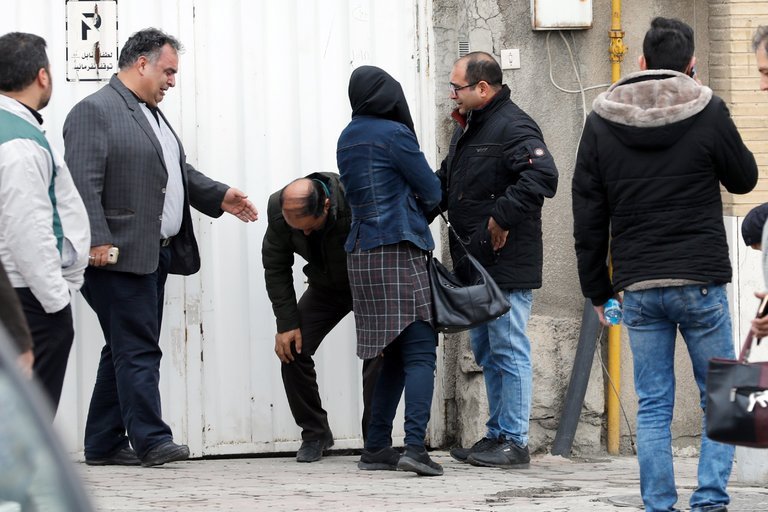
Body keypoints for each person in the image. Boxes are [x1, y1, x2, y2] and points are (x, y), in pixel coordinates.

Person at [572, 17, 757, 512]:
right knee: (722, 395)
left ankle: (659, 504)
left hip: (639, 285)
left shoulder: (601, 120)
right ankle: (711, 499)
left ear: (641, 62)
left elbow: (587, 214)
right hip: (701, 280)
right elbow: (744, 179)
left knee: (653, 404)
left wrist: (598, 289)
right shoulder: (708, 109)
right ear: (691, 65)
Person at [63, 28, 258, 468]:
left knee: (125, 345)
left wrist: (220, 196)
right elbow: (81, 183)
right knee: (138, 347)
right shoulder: (94, 111)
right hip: (116, 256)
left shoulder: (151, 114)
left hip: (154, 255)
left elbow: (175, 170)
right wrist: (96, 240)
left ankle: (103, 443)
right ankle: (151, 440)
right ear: (141, 64)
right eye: (168, 71)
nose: (172, 81)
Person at [438, 52, 558, 468]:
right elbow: (446, 183)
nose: (451, 94)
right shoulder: (468, 129)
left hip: (506, 261)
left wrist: (500, 217)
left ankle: (515, 441)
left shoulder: (514, 125)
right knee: (487, 351)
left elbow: (543, 176)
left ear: (483, 88)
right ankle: (496, 435)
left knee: (508, 348)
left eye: (456, 87)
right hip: (477, 261)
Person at [337, 65, 443, 476]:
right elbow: (431, 190)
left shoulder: (348, 137)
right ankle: (415, 447)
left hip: (362, 254)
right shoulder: (395, 134)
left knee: (394, 354)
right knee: (420, 351)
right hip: (397, 250)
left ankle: (376, 447)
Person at [262, 172, 382, 462]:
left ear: (326, 206)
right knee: (292, 349)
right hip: (325, 286)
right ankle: (315, 433)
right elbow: (275, 266)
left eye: (309, 227)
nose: (304, 234)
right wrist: (286, 324)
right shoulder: (279, 209)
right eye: (297, 228)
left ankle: (376, 441)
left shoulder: (356, 199)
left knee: (379, 355)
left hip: (368, 284)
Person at [0, 32, 91, 408]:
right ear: (42, 76)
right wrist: (56, 304)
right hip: (28, 296)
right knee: (28, 417)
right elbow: (27, 230)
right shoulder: (20, 144)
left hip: (17, 290)